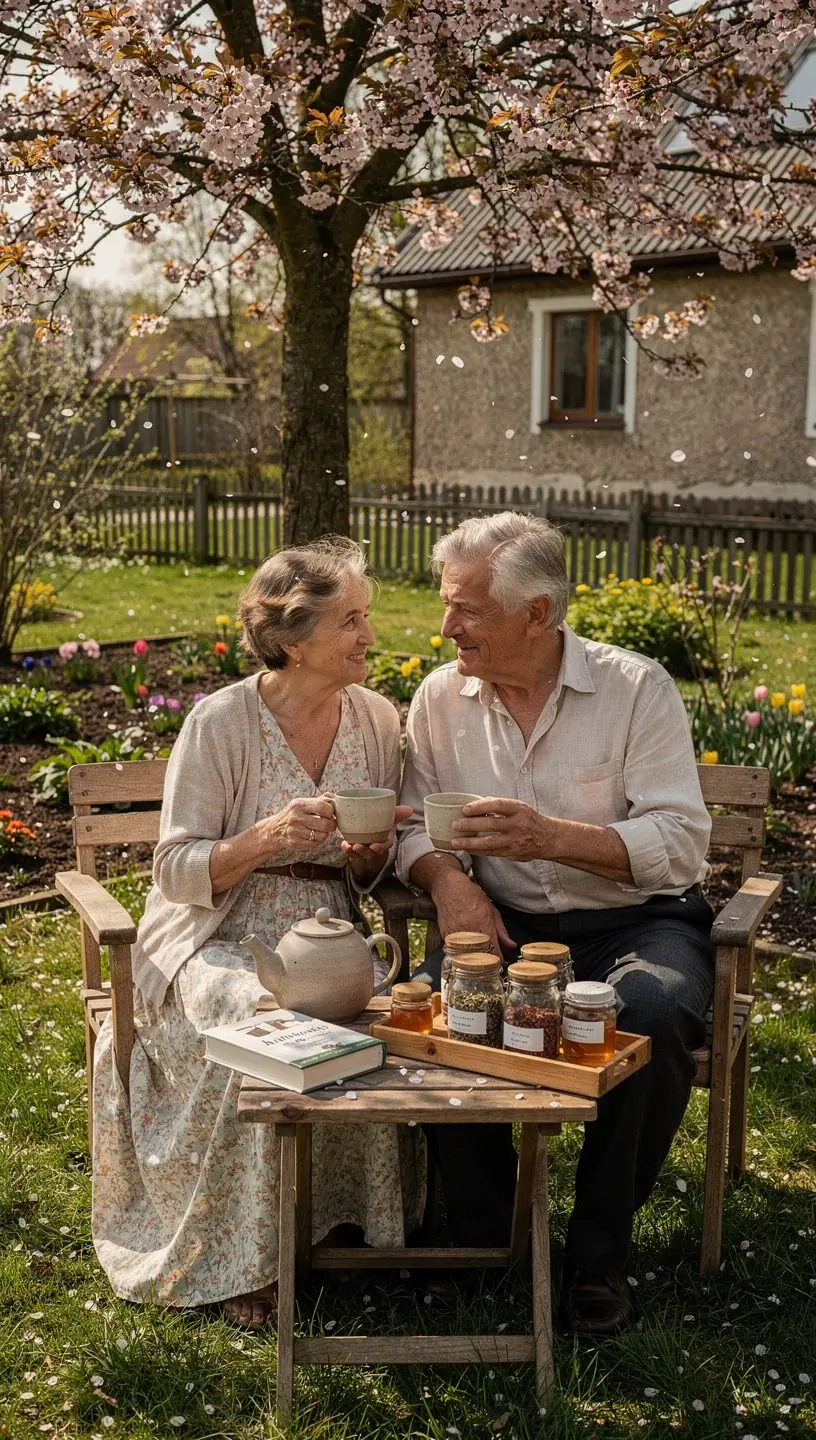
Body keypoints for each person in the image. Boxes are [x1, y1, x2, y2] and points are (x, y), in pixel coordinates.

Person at [92, 537, 423, 1328]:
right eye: (350, 622)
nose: (368, 637)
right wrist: (266, 837)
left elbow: (370, 872)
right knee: (257, 1022)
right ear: (292, 638)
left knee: (377, 1020)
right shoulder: (221, 723)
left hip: (326, 930)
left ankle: (340, 1223)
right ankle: (240, 1261)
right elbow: (173, 868)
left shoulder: (377, 719)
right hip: (217, 934)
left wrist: (372, 855)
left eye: (365, 618)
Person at [397, 512, 713, 1338]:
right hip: (498, 926)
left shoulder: (634, 688)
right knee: (432, 1016)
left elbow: (680, 845)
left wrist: (551, 837)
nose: (446, 626)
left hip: (634, 923)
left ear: (537, 614)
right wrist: (446, 883)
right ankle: (489, 1235)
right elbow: (408, 826)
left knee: (649, 1013)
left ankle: (597, 1255)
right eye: (446, 604)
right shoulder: (440, 698)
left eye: (467, 609)